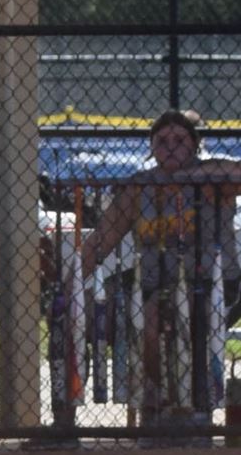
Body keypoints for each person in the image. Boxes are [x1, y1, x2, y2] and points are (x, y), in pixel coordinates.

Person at [79, 109, 241, 426]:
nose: (170, 147)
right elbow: (102, 239)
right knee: (111, 310)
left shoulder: (212, 179)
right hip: (153, 278)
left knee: (172, 311)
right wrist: (68, 284)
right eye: (161, 140)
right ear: (151, 147)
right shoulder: (140, 187)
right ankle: (156, 396)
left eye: (179, 140)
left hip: (213, 280)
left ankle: (183, 401)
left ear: (195, 146)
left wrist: (184, 178)